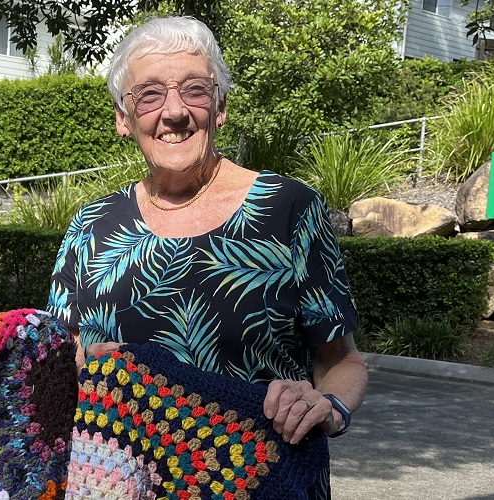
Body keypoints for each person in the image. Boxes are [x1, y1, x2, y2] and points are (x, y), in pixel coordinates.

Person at [46, 16, 367, 499]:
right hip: (118, 485)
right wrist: (81, 364)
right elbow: (55, 359)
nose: (174, 111)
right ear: (123, 117)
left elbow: (342, 361)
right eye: (149, 94)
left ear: (219, 107)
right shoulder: (91, 227)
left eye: (194, 90)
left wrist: (330, 406)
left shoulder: (289, 209)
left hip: (263, 482)